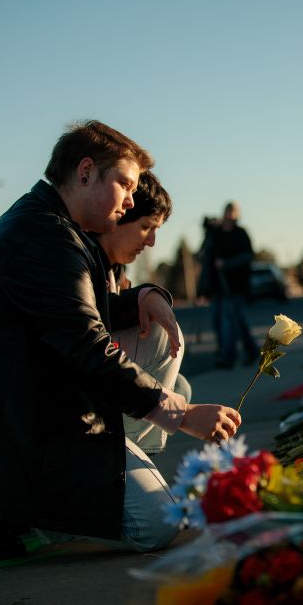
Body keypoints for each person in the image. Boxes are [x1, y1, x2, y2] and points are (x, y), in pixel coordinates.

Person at [0, 121, 241, 561]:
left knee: (155, 333)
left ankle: (114, 470)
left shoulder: (55, 228)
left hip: (43, 412)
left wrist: (142, 295)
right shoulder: (42, 238)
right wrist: (184, 415)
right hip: (20, 443)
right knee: (158, 525)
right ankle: (10, 523)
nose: (132, 200)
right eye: (125, 184)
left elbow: (70, 310)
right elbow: (85, 343)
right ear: (84, 172)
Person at [96, 170, 191, 457]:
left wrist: (146, 293)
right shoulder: (81, 258)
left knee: (181, 389)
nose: (151, 242)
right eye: (146, 227)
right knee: (161, 338)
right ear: (118, 216)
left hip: (97, 387)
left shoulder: (113, 267)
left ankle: (135, 453)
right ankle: (127, 458)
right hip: (65, 404)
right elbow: (88, 314)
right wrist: (143, 296)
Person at [197, 202, 259, 369]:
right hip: (217, 287)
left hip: (235, 286)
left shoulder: (240, 233)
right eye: (227, 212)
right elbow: (203, 255)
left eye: (232, 213)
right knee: (228, 321)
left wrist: (227, 264)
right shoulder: (215, 234)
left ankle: (228, 356)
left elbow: (248, 256)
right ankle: (251, 350)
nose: (229, 216)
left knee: (228, 321)